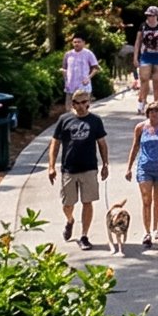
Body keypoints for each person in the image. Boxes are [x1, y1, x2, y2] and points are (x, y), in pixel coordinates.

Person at [44, 89, 109, 248]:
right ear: (73, 104)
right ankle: (70, 220)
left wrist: (105, 164)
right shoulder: (64, 120)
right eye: (77, 103)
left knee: (88, 202)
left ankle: (84, 235)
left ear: (89, 103)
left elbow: (102, 143)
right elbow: (55, 143)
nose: (81, 106)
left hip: (89, 168)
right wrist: (51, 166)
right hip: (69, 168)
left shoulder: (95, 121)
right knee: (68, 204)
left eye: (84, 102)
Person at [123, 101, 158, 245]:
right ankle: (146, 232)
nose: (154, 113)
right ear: (147, 113)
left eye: (157, 110)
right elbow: (135, 147)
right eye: (151, 110)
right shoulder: (140, 127)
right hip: (145, 166)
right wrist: (129, 167)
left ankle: (155, 227)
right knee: (146, 200)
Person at [133, 6, 158, 106]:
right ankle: (142, 100)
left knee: (156, 80)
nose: (150, 17)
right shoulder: (143, 26)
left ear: (156, 16)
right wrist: (135, 57)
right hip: (146, 55)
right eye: (148, 15)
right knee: (144, 79)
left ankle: (156, 101)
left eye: (152, 15)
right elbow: (138, 42)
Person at [61, 33, 101, 104]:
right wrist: (65, 80)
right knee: (69, 107)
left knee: (83, 107)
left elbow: (96, 68)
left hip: (83, 86)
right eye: (75, 42)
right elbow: (64, 69)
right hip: (70, 86)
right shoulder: (68, 54)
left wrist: (88, 77)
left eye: (79, 42)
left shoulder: (88, 54)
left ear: (83, 43)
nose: (77, 44)